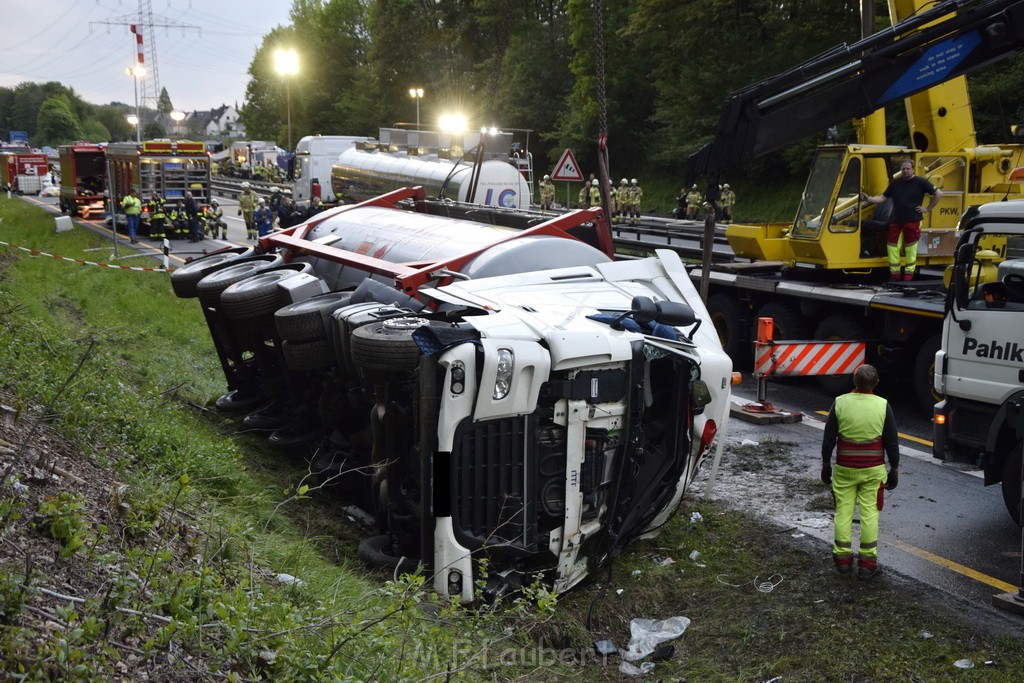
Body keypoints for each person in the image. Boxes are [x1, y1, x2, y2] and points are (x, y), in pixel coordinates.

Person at [821, 364, 900, 580]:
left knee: (843, 513)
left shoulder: (840, 402)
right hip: (873, 471)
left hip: (845, 469)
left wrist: (826, 464)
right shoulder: (883, 405)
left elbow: (829, 439)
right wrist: (894, 468)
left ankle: (843, 561)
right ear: (876, 383)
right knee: (870, 514)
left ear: (854, 382)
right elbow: (892, 443)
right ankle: (867, 565)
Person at [860, 159, 942, 281]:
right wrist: (869, 199)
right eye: (903, 169)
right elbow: (883, 197)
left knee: (910, 248)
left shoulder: (920, 182)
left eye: (908, 168)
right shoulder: (895, 183)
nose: (905, 171)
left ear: (913, 169)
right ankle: (895, 274)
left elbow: (938, 193)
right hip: (896, 220)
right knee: (892, 246)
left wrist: (928, 209)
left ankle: (909, 274)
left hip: (913, 220)